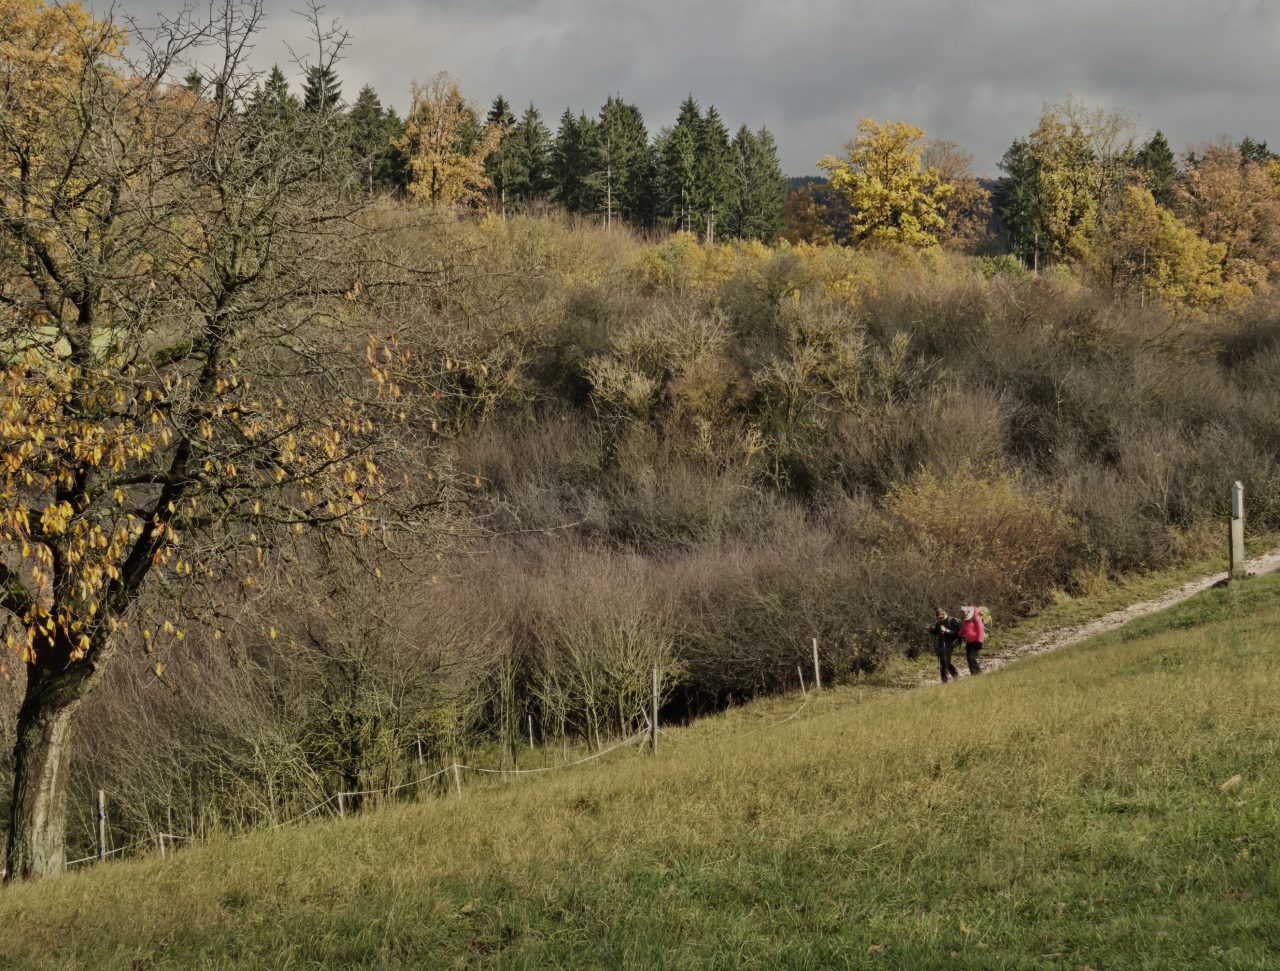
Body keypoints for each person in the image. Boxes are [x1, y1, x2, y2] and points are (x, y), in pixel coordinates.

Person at [928, 607, 961, 682]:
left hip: (949, 643)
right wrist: (930, 629)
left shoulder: (952, 621)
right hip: (941, 643)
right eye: (938, 617)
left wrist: (945, 630)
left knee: (946, 661)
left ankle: (955, 675)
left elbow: (955, 633)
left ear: (944, 613)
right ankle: (944, 680)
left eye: (940, 617)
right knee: (942, 662)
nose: (939, 619)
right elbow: (936, 632)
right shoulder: (939, 622)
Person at [958, 604, 985, 675]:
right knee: (969, 659)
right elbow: (964, 629)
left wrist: (980, 641)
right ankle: (973, 674)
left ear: (968, 611)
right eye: (961, 612)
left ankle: (979, 673)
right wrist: (958, 634)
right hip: (969, 642)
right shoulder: (965, 619)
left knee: (971, 657)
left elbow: (980, 629)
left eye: (964, 612)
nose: (963, 613)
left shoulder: (976, 617)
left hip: (976, 641)